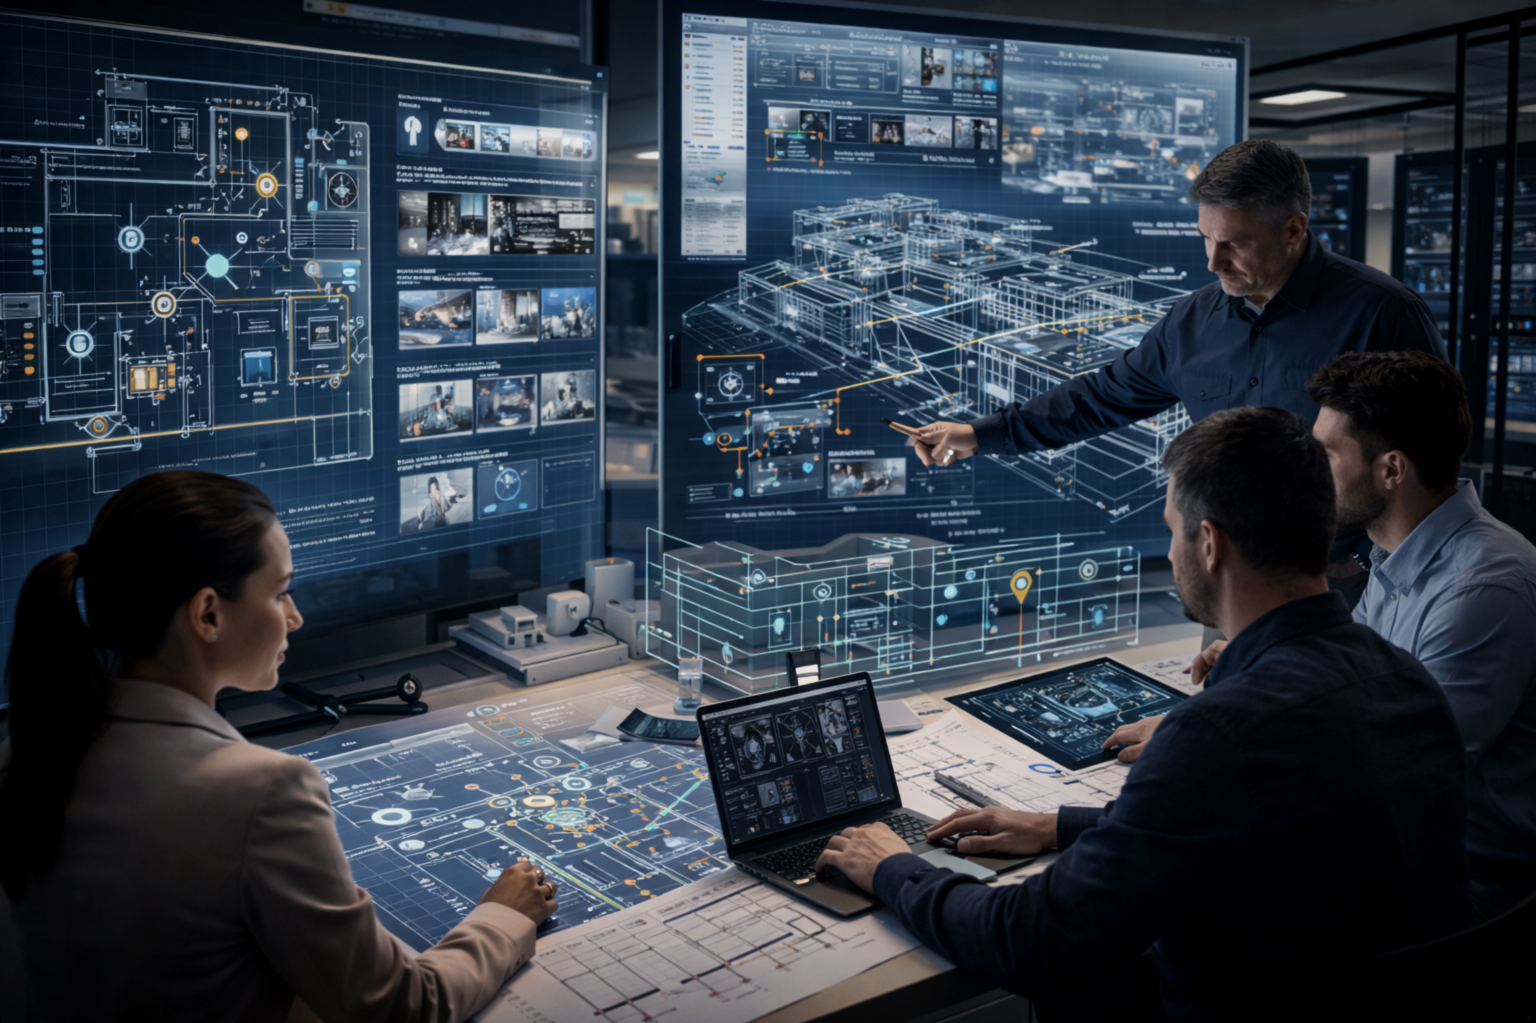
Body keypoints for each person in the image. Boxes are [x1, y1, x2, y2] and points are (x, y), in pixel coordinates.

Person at [815, 407, 1470, 1021]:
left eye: (1170, 529)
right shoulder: (1404, 679)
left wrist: (892, 867)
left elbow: (1035, 941)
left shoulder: (1219, 733)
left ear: (1209, 543)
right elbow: (1270, 824)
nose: (1174, 547)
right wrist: (1061, 826)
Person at [0, 471, 556, 1021]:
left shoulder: (31, 752)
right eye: (281, 592)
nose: (296, 617)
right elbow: (402, 1008)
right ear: (208, 614)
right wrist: (501, 917)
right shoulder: (260, 791)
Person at [911, 139, 1445, 605]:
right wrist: (981, 434)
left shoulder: (1382, 313)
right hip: (1234, 576)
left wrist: (1373, 556)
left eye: (1233, 243)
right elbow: (1099, 398)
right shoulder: (1192, 320)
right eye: (1205, 239)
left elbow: (1432, 456)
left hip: (1349, 581)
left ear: (1293, 229)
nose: (1213, 262)